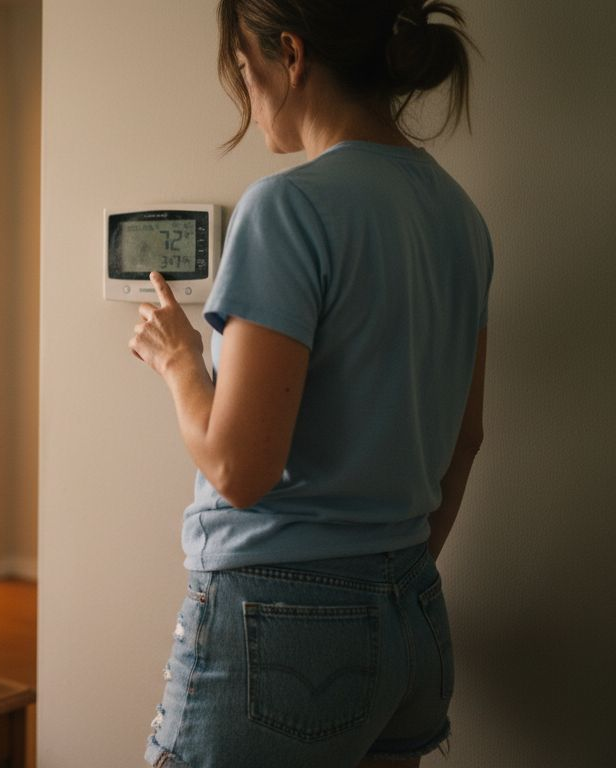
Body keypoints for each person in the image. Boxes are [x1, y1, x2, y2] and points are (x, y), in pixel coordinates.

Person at [127, 2, 490, 767]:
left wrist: (178, 360)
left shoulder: (287, 206)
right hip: (413, 613)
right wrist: (385, 576)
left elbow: (238, 469)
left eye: (242, 71)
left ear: (289, 55)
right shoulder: (459, 216)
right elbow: (466, 439)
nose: (246, 97)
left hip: (279, 625)